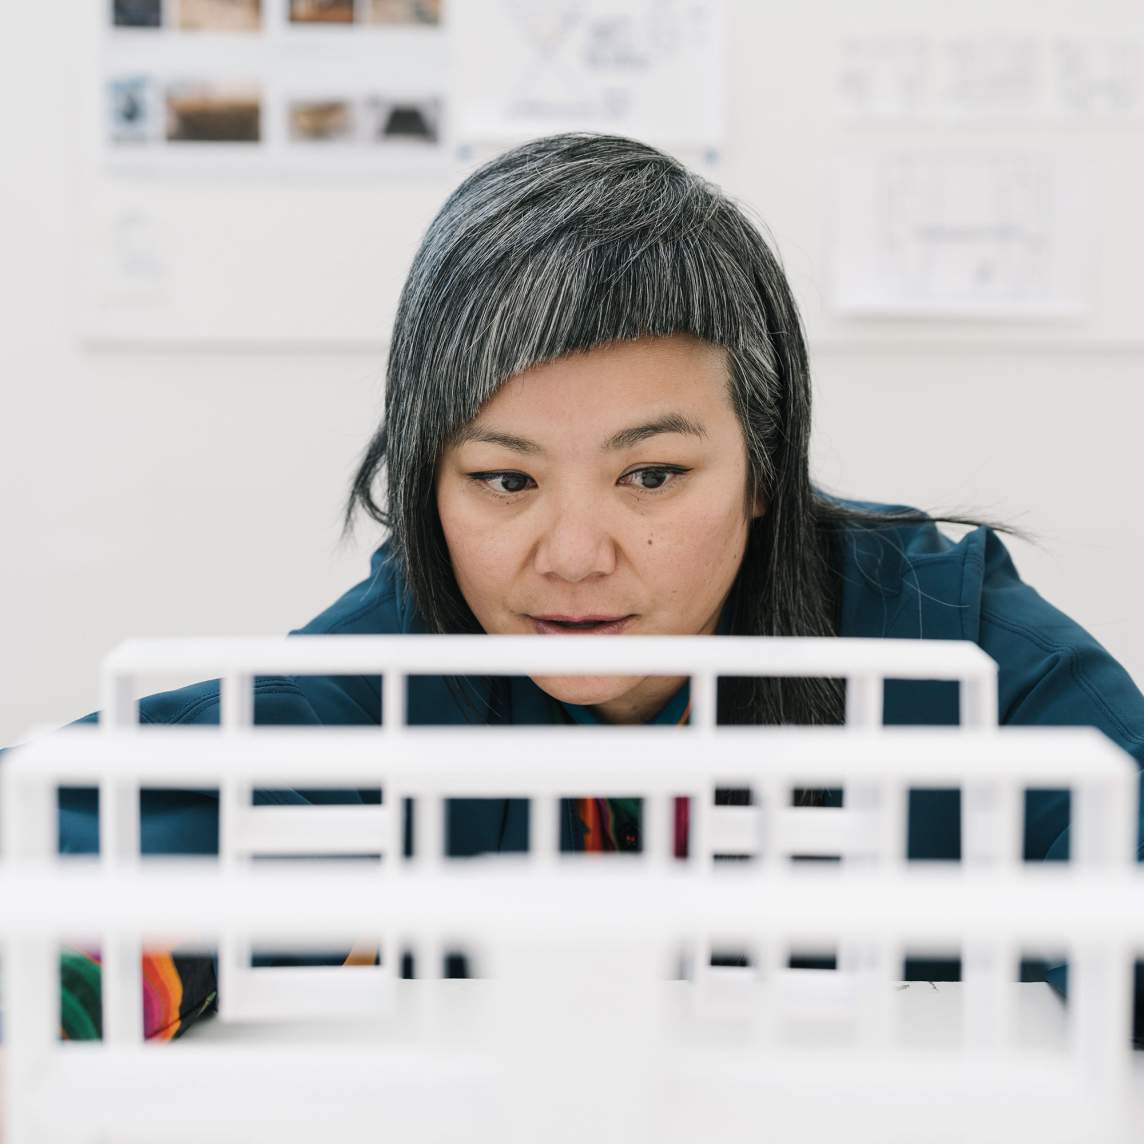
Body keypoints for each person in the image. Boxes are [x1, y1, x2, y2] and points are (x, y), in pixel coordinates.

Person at [37, 133, 1144, 1040]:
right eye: (505, 479)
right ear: (430, 484)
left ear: (764, 465)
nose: (572, 555)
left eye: (650, 475)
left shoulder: (951, 643)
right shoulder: (399, 660)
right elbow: (109, 842)